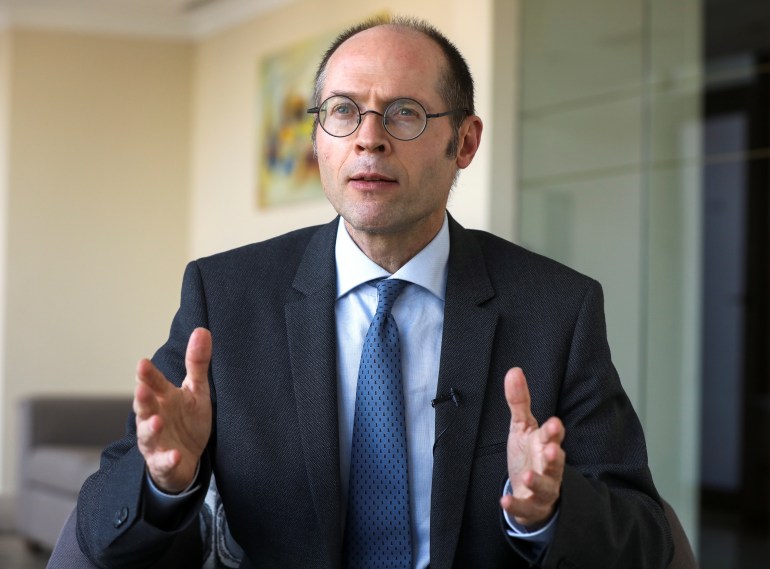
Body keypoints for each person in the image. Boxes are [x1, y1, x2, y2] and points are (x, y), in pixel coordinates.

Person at [76, 15, 673, 569]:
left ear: (464, 143)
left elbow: (646, 536)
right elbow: (103, 530)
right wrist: (164, 485)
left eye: (404, 112)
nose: (368, 139)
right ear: (317, 139)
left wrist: (549, 511)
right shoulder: (226, 297)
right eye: (342, 111)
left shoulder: (556, 309)